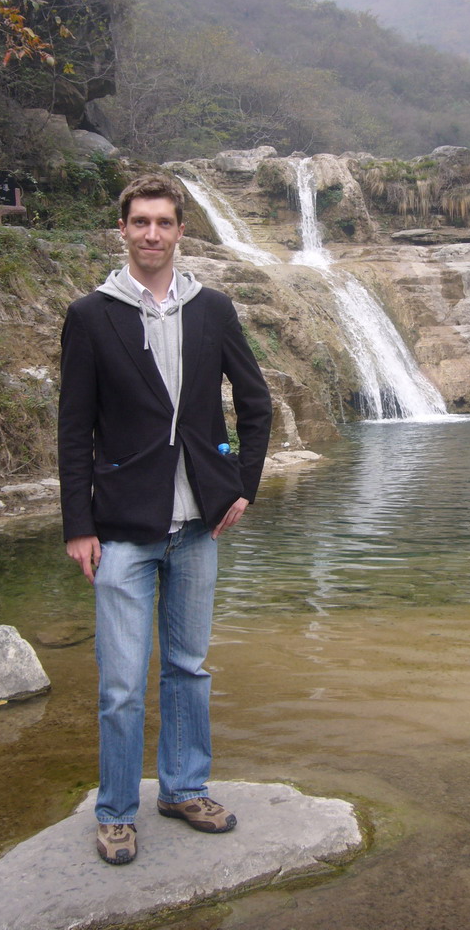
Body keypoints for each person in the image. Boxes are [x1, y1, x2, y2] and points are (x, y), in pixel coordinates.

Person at [58, 173, 273, 865]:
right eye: (140, 221)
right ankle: (117, 810)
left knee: (188, 667)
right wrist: (76, 526)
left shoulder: (212, 308)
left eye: (164, 222)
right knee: (121, 682)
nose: (152, 233)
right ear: (122, 229)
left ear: (182, 231)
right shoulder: (92, 314)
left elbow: (255, 400)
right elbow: (72, 430)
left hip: (197, 527)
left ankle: (183, 788)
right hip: (121, 525)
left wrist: (243, 484)